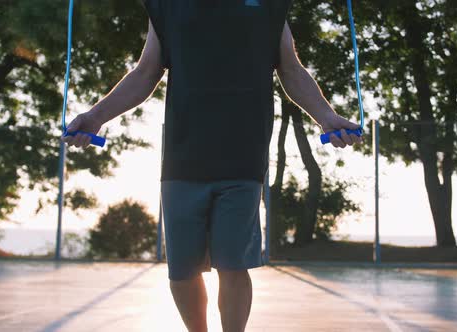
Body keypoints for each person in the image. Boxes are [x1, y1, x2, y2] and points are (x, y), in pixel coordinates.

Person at [62, 1, 361, 331]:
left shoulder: (266, 6)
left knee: (233, 265)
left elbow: (290, 69)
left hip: (243, 155)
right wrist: (94, 117)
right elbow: (146, 71)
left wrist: (327, 117)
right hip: (183, 156)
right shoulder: (169, 7)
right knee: (182, 271)